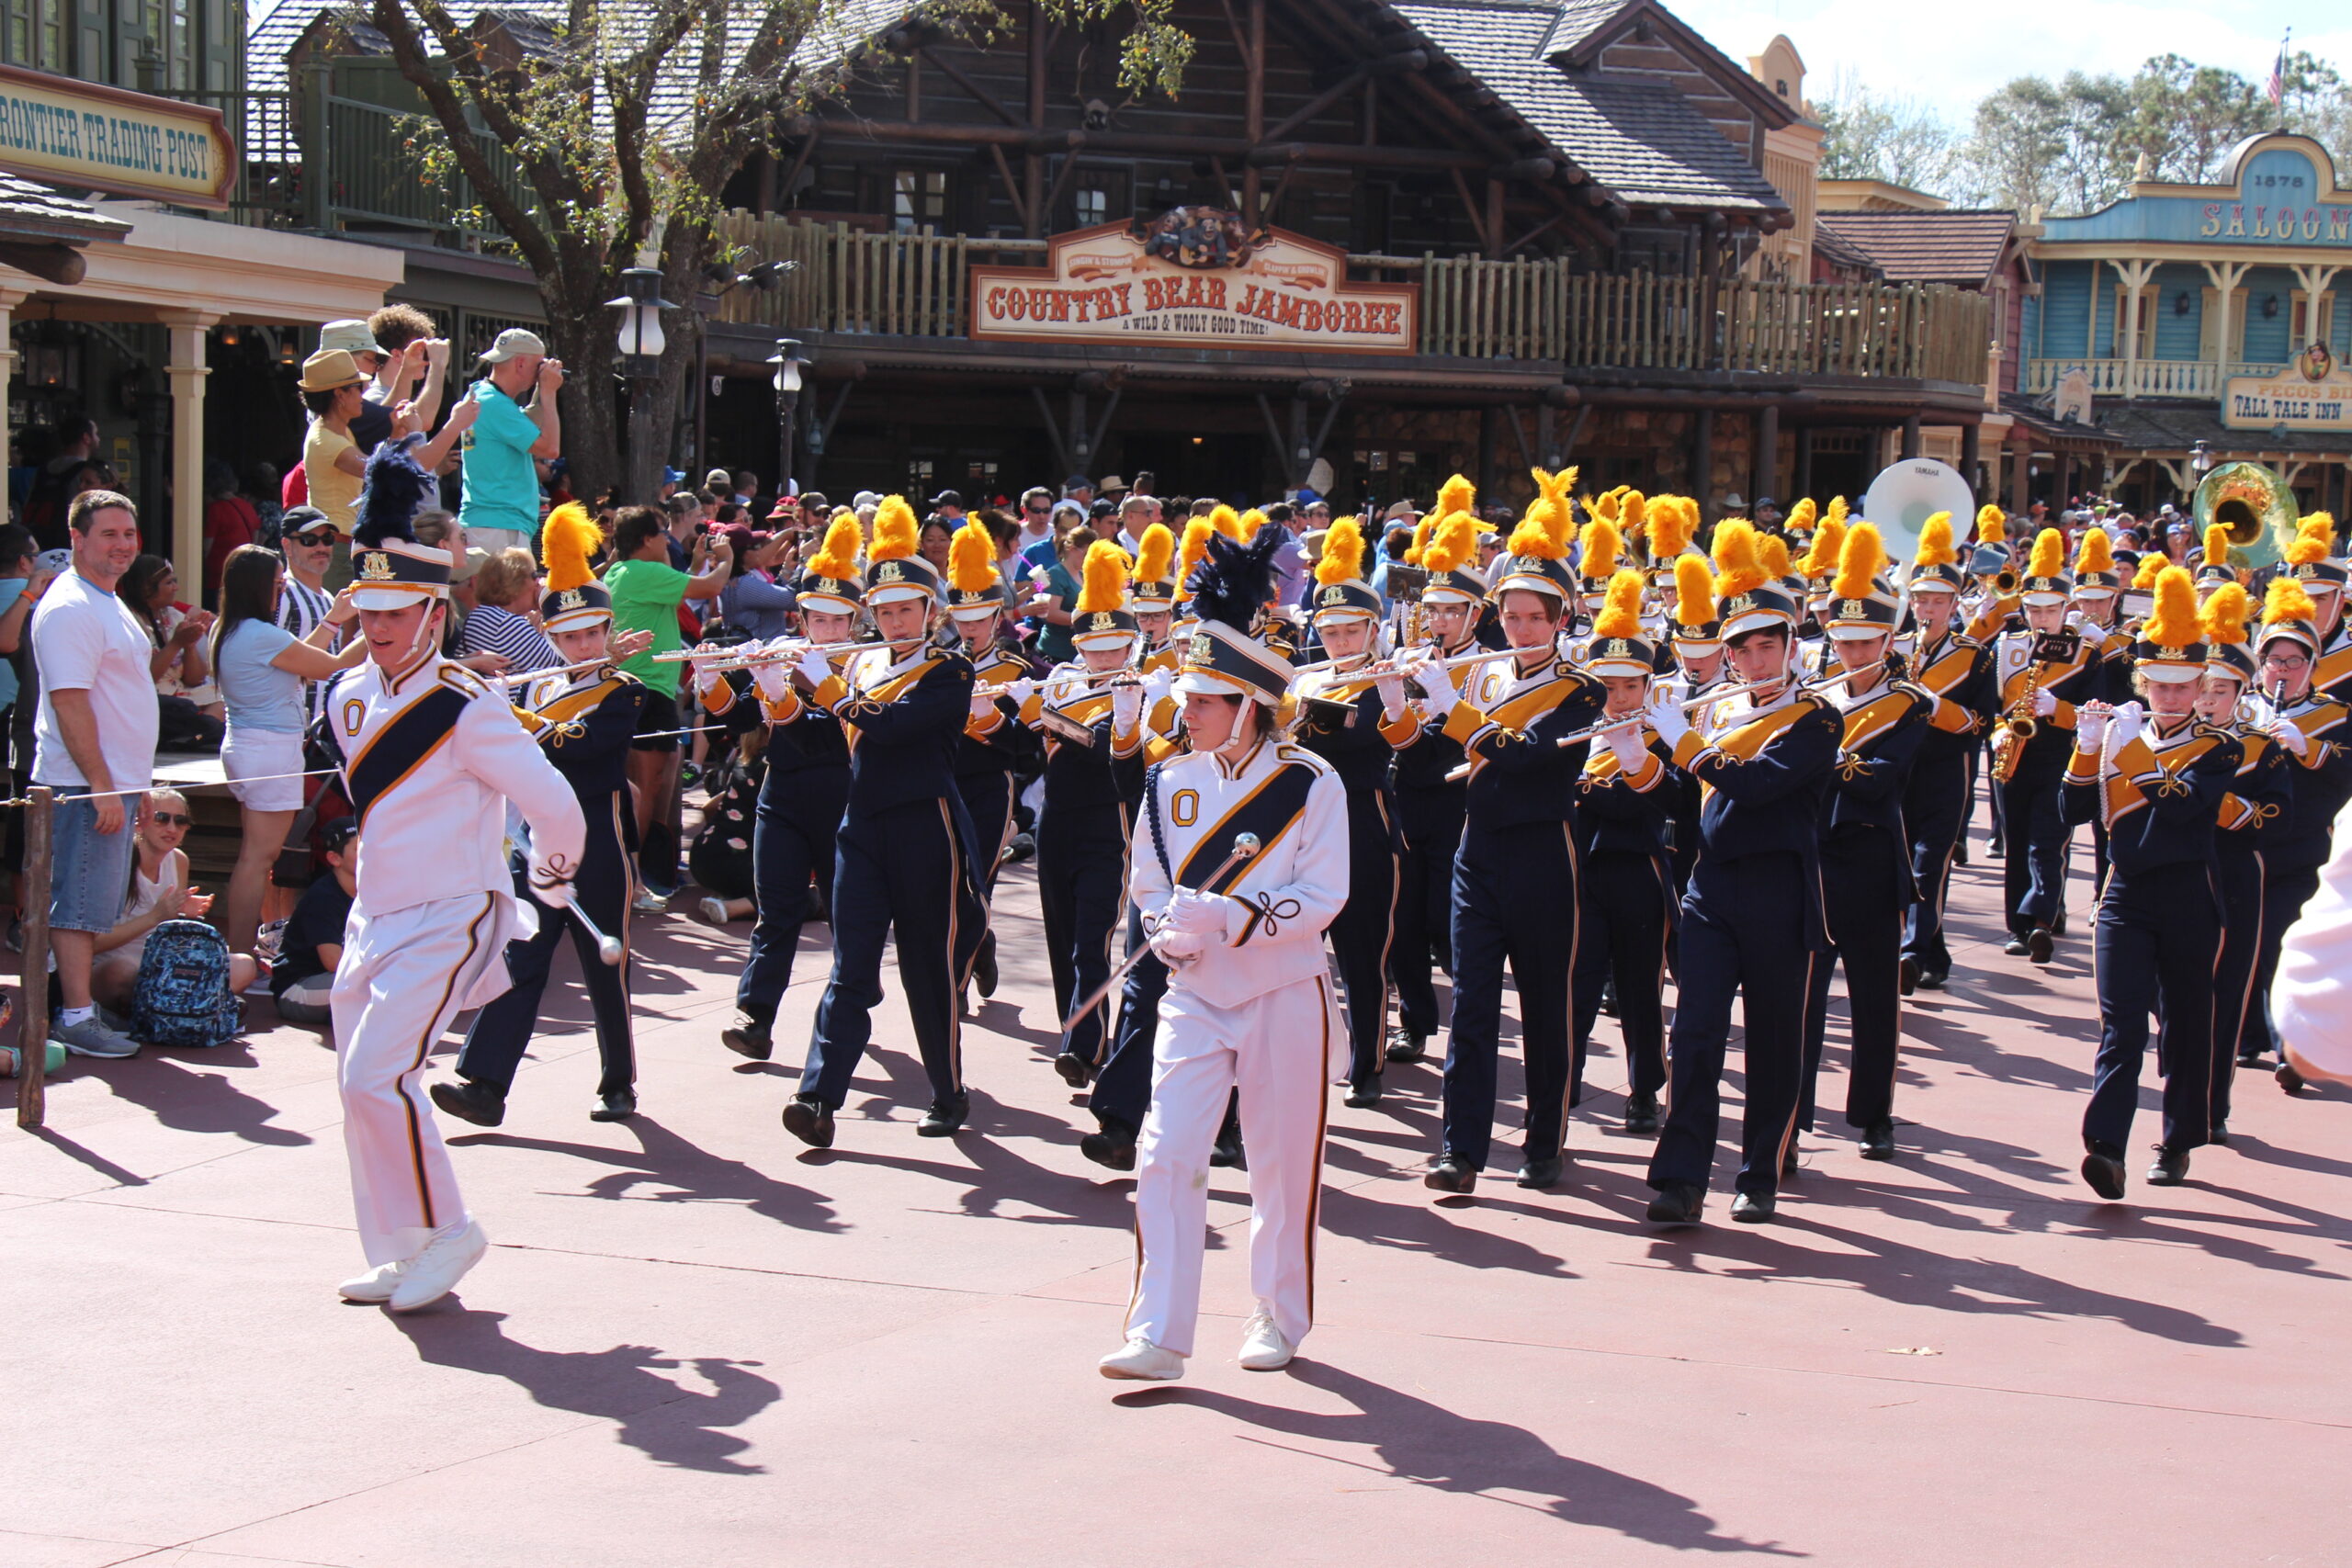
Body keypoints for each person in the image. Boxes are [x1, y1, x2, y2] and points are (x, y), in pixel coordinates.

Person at [320, 488, 582, 1313]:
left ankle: (450, 1230)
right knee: (360, 1087)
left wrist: (554, 875)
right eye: (368, 611)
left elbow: (555, 804)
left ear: (434, 613)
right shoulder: (347, 696)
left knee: (376, 1078)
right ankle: (404, 1245)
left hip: (454, 912)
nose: (380, 626)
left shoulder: (471, 705)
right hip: (376, 916)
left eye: (397, 612)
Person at [1098, 525, 1347, 1382]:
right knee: (1165, 1152)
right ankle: (1159, 1331)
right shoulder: (1170, 780)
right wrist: (1165, 926)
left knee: (1281, 1167)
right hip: (1197, 993)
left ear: (1248, 702)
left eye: (1202, 700)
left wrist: (1234, 913)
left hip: (1283, 989)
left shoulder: (1313, 781)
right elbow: (1146, 880)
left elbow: (1324, 896)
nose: (1184, 712)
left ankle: (1278, 1314)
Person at [1645, 523, 1841, 1225]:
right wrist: (1638, 753)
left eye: (1769, 646)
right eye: (1743, 649)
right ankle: (1681, 1177)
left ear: (1791, 647)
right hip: (1710, 889)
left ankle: (1760, 1170)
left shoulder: (1818, 717)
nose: (1757, 661)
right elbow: (1681, 799)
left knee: (1772, 1037)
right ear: (1725, 654)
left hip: (1780, 892)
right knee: (1694, 1033)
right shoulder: (1717, 709)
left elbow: (1757, 786)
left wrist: (1687, 745)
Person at [779, 497, 989, 1147]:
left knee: (926, 966)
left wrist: (832, 691)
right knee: (850, 968)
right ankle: (817, 1097)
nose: (894, 621)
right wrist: (773, 680)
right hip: (860, 827)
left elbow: (896, 728)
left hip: (926, 827)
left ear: (930, 613)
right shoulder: (862, 663)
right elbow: (806, 727)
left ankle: (948, 1090)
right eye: (885, 610)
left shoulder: (951, 669)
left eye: (906, 609)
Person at [1419, 470, 1605, 1195]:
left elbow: (1531, 760)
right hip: (1478, 850)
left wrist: (1457, 710)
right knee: (1470, 1002)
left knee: (1543, 1002)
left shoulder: (1583, 688)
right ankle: (1460, 1149)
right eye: (1513, 617)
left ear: (1560, 621)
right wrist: (1415, 692)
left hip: (1543, 853)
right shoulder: (1483, 674)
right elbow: (1437, 748)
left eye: (1535, 618)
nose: (1521, 630)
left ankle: (1544, 1138)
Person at [439, 503, 650, 1125]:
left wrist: (517, 719)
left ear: (606, 631)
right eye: (569, 637)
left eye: (591, 634)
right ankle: (484, 1083)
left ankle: (617, 1082)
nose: (581, 645)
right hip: (538, 840)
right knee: (522, 957)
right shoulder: (537, 687)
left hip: (599, 840)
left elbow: (579, 744)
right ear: (551, 639)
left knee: (604, 962)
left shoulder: (623, 690)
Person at [2066, 567, 2241, 1196]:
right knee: (2121, 1026)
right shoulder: (2119, 734)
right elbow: (2072, 812)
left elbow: (2182, 805)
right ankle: (2106, 1144)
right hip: (2124, 894)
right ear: (2143, 682)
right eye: (2158, 685)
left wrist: (2130, 749)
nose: (2168, 696)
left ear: (2200, 688)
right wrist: (2087, 749)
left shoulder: (2220, 747)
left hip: (2190, 895)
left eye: (2182, 686)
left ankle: (2176, 1140)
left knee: (2186, 1023)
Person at [700, 513, 862, 1061]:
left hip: (844, 802)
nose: (829, 631)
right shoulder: (785, 657)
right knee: (778, 911)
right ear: (804, 618)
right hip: (783, 797)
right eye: (819, 620)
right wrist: (712, 679)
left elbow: (830, 736)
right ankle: (755, 1016)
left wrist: (811, 683)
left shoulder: (867, 668)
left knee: (847, 917)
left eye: (840, 622)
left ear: (855, 623)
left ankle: (852, 994)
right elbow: (740, 718)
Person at [1795, 526, 1928, 1162]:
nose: (1851, 652)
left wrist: (1818, 758)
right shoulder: (1813, 697)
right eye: (1842, 641)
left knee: (1875, 997)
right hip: (1814, 858)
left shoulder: (1907, 702)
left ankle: (1875, 1113)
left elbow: (1880, 781)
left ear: (1886, 640)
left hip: (1873, 861)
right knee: (1803, 995)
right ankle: (1792, 1112)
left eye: (1864, 642)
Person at [1013, 540, 1152, 1087]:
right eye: (1093, 649)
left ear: (1129, 649)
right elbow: (1029, 754)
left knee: (1092, 937)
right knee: (1062, 934)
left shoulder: (1138, 691)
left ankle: (1084, 1043)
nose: (1102, 660)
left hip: (1109, 822)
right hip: (1058, 821)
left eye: (1113, 649)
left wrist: (1042, 714)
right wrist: (1018, 710)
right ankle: (1078, 1031)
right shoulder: (1066, 681)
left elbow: (1101, 749)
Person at [33, 491, 160, 1059]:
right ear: (77, 540)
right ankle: (76, 1016)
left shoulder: (105, 600)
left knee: (92, 905)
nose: (122, 545)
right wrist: (106, 784)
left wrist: (136, 785)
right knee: (80, 905)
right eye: (108, 534)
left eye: (128, 535)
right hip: (86, 785)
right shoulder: (70, 608)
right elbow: (70, 702)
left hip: (114, 783)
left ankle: (79, 1008)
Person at [1290, 517, 1408, 1107]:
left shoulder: (1387, 680)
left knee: (1362, 950)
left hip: (1362, 817)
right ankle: (1310, 1054)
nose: (1339, 642)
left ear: (1372, 629)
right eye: (1329, 631)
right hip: (1305, 824)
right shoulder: (1305, 678)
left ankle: (1368, 1062)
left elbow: (1368, 740)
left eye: (1350, 630)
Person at [210, 544, 366, 957]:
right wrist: (379, 626)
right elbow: (329, 667)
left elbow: (300, 660)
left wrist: (335, 619)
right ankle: (241, 956)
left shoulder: (233, 629)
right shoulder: (259, 634)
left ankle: (247, 952)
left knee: (256, 858)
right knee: (258, 860)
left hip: (250, 748)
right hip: (268, 752)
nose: (280, 592)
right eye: (276, 585)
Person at [1566, 570, 1676, 1137]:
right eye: (1608, 687)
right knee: (1577, 986)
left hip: (1638, 871)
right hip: (1580, 873)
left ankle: (1645, 1091)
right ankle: (1567, 1081)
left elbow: (1644, 808)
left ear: (1647, 687)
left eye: (1630, 686)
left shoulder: (1660, 736)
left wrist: (1587, 790)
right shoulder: (1575, 735)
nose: (1619, 697)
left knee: (1639, 990)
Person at [1385, 497, 1485, 1066]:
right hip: (1408, 793)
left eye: (1453, 612)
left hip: (1459, 799)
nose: (1440, 621)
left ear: (1474, 615)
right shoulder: (1409, 656)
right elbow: (1395, 736)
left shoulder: (1491, 666)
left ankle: (1470, 1021)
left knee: (1449, 921)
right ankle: (1415, 1022)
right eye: (1434, 611)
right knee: (1404, 918)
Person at [605, 504, 731, 903]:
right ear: (646, 539)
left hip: (641, 689)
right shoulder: (645, 571)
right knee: (647, 786)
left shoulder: (620, 572)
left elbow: (684, 584)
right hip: (648, 690)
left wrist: (695, 564)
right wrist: (724, 560)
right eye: (662, 533)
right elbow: (710, 588)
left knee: (652, 784)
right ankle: (632, 880)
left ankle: (646, 868)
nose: (667, 540)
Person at [1899, 514, 1995, 989]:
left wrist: (1937, 707)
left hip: (1945, 768)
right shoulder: (1896, 650)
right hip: (1899, 769)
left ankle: (1912, 952)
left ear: (1955, 603)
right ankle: (1933, 953)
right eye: (1921, 600)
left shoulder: (1975, 655)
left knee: (1929, 861)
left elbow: (1982, 722)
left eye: (1937, 601)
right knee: (1903, 859)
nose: (1927, 609)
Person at [944, 514, 1033, 1000]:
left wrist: (993, 716)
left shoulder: (1016, 668)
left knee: (978, 881)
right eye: (963, 620)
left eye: (980, 619)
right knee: (945, 881)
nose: (971, 628)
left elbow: (1026, 749)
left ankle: (954, 981)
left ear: (997, 619)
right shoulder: (938, 664)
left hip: (988, 785)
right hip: (941, 781)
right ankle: (981, 943)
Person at [88, 789, 259, 1010]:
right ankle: (202, 1004)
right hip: (113, 967)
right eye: (161, 818)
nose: (171, 828)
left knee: (244, 966)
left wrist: (181, 914)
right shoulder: (116, 862)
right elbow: (94, 943)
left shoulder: (179, 861)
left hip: (164, 967)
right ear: (139, 821)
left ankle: (184, 1006)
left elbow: (170, 934)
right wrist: (156, 916)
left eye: (181, 821)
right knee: (120, 971)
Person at [457, 328, 564, 558]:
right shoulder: (495, 404)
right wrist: (549, 393)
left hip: (490, 523)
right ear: (521, 364)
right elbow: (550, 448)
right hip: (499, 527)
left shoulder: (480, 394)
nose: (540, 372)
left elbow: (522, 425)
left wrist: (541, 391)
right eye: (538, 366)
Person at [120, 554, 221, 747]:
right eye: (169, 583)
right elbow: (144, 677)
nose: (176, 588)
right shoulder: (127, 620)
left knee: (223, 701)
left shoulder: (174, 616)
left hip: (180, 695)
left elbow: (195, 679)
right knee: (181, 710)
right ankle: (199, 732)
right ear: (146, 587)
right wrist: (175, 644)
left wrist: (189, 645)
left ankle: (196, 733)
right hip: (150, 699)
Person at [270, 819, 357, 1027]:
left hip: (336, 983)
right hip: (297, 989)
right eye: (359, 847)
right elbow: (333, 962)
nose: (370, 852)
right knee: (376, 985)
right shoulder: (324, 896)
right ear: (334, 858)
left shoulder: (375, 891)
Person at [300, 350, 373, 540]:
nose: (363, 393)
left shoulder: (337, 431)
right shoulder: (327, 441)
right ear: (340, 395)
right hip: (337, 544)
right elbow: (380, 471)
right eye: (358, 386)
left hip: (341, 540)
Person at [201, 457, 260, 605]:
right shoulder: (248, 507)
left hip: (217, 579)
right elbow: (256, 540)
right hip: (244, 576)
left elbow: (206, 548)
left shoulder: (216, 509)